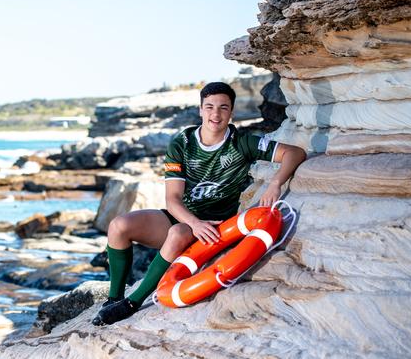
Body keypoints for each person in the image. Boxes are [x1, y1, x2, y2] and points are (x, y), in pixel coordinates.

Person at [92, 82, 306, 326]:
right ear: (200, 110)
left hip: (218, 224)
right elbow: (172, 199)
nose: (216, 114)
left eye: (223, 108)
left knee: (176, 233)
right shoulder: (182, 143)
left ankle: (132, 303)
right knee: (119, 225)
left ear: (231, 112)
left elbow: (295, 153)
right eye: (210, 107)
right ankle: (114, 298)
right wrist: (193, 222)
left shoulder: (242, 142)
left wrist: (275, 183)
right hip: (186, 217)